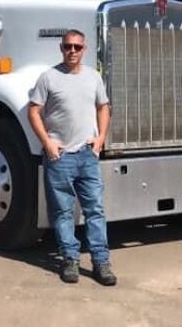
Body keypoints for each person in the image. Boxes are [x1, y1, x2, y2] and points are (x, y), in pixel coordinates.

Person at [28, 29, 117, 285]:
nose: (73, 51)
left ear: (84, 49)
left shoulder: (93, 77)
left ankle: (101, 263)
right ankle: (70, 260)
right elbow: (34, 111)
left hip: (87, 156)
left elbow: (104, 107)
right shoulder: (48, 78)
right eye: (68, 46)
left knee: (95, 211)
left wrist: (100, 139)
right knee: (63, 212)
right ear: (61, 48)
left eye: (77, 47)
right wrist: (47, 143)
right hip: (60, 157)